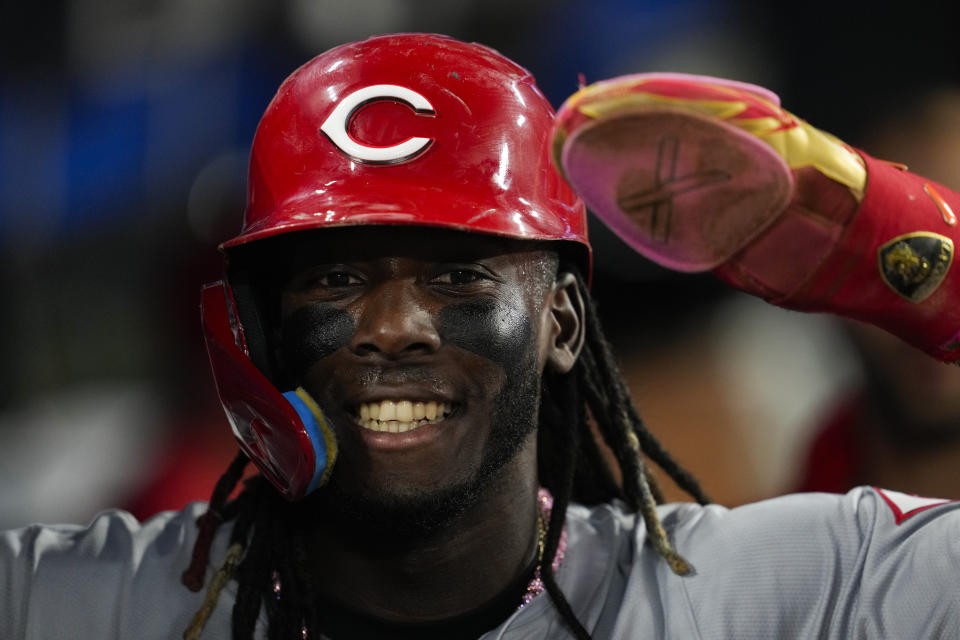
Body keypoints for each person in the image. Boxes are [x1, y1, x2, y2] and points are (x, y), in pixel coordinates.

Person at [3, 33, 960, 639]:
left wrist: (906, 250)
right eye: (335, 277)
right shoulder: (85, 604)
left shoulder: (770, 599)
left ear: (564, 322)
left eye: (457, 276)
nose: (391, 327)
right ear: (255, 330)